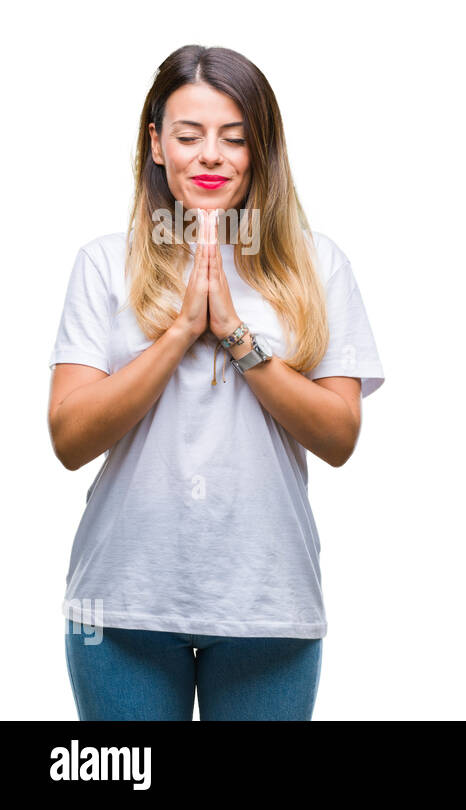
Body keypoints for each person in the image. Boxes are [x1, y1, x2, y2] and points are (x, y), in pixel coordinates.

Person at [48, 45, 384, 720]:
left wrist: (236, 335)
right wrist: (177, 336)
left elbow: (340, 436)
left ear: (260, 150)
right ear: (156, 144)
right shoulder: (103, 263)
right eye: (188, 135)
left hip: (268, 602)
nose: (210, 155)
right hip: (122, 602)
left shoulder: (318, 266)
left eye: (234, 138)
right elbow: (69, 437)